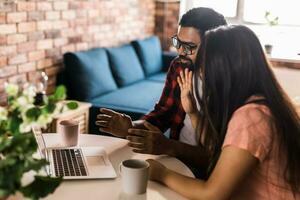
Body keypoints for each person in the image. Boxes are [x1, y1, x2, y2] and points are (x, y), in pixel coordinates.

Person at [146, 25, 300, 199]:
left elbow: (212, 194)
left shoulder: (252, 117)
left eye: (205, 65)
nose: (202, 73)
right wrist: (193, 112)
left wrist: (161, 173)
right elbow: (216, 150)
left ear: (224, 69)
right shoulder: (260, 102)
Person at [96, 8, 227, 173]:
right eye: (178, 42)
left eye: (189, 46)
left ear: (215, 46)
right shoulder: (179, 66)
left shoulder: (229, 83)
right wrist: (131, 127)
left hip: (209, 171)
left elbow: (219, 157)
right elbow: (164, 113)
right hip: (175, 160)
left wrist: (169, 146)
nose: (180, 51)